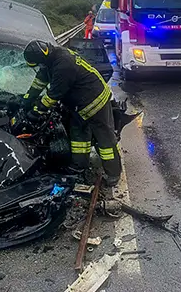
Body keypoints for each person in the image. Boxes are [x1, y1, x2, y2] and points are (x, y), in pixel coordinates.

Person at [20, 39, 121, 186]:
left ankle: (113, 173)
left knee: (105, 140)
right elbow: (40, 81)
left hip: (95, 101)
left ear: (43, 58)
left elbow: (54, 95)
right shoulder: (51, 60)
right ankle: (79, 166)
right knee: (78, 137)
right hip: (77, 105)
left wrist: (37, 112)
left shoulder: (63, 64)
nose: (39, 67)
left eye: (38, 64)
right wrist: (27, 99)